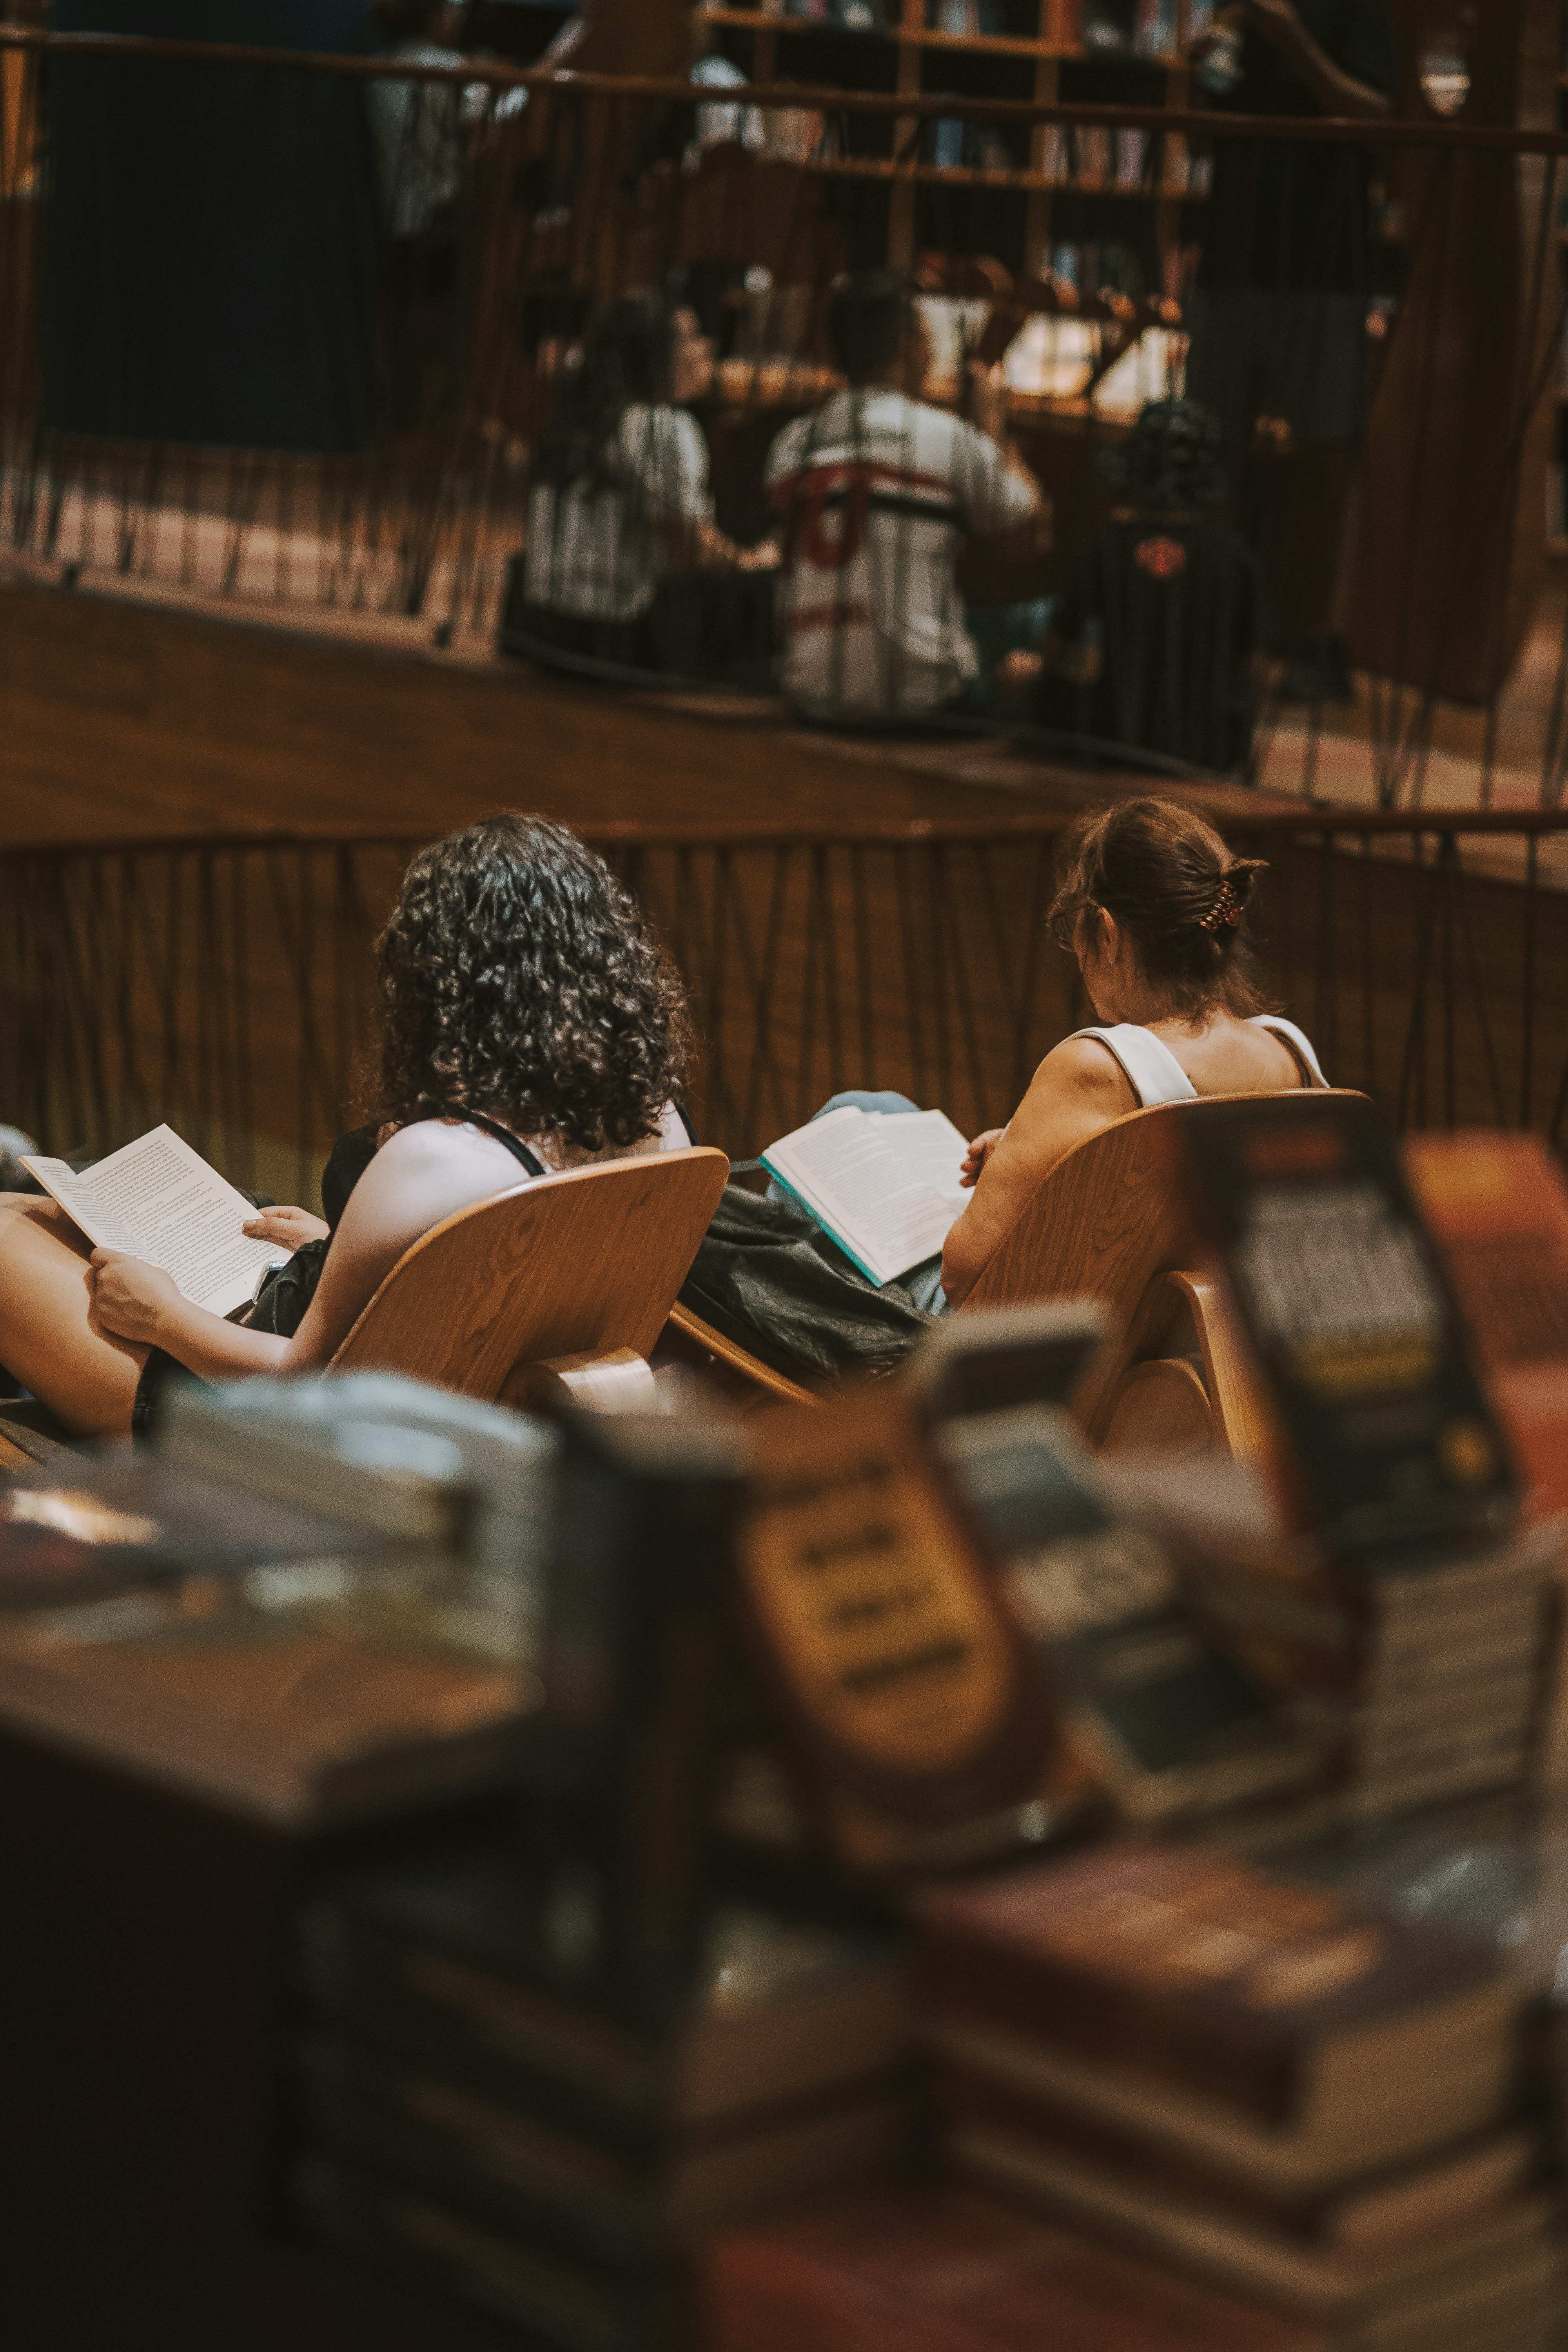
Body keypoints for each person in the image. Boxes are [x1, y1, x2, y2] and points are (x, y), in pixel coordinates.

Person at [0, 817, 693, 1440]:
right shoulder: (663, 1129)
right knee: (35, 1208)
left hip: (226, 1407)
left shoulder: (437, 1158)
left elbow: (307, 1385)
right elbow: (495, 1295)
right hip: (452, 1429)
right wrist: (343, 1253)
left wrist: (164, 1316)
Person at [941, 796, 1325, 1307]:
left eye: (1072, 925)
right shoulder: (1290, 1052)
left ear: (1106, 932)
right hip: (1226, 1361)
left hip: (1080, 1361)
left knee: (851, 1128)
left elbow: (965, 1278)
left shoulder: (1099, 1068)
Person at [1186, 0, 1398, 701]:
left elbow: (1377, 122)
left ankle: (1317, 644)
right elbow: (1197, 139)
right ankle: (1210, 633)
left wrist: (1295, 40)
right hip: (1230, 258)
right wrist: (1208, 65)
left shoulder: (1353, 13)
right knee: (1207, 455)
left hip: (1322, 267)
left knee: (1325, 463)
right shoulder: (1235, 15)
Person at [764, 271, 1046, 722]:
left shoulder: (791, 443)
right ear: (907, 345)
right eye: (928, 335)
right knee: (1037, 618)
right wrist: (993, 427)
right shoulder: (944, 438)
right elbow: (1028, 535)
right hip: (919, 699)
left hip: (808, 686)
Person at [510, 293, 778, 674]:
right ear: (655, 354)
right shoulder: (659, 427)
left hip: (543, 624)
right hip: (613, 635)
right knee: (761, 590)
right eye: (692, 337)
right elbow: (691, 549)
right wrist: (752, 563)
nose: (707, 349)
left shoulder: (574, 422)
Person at [1014, 398, 1269, 775]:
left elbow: (1057, 645)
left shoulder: (1107, 547)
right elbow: (1262, 669)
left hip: (1114, 746)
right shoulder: (1235, 557)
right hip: (1207, 753)